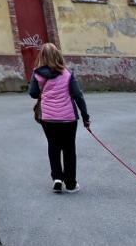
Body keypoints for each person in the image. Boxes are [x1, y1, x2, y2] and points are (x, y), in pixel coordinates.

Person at [28, 42, 90, 193]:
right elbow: (78, 96)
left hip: (48, 118)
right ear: (58, 55)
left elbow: (33, 93)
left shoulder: (37, 73)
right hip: (68, 118)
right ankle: (70, 184)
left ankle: (57, 178)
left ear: (41, 56)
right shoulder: (67, 74)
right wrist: (85, 116)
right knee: (69, 149)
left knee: (53, 146)